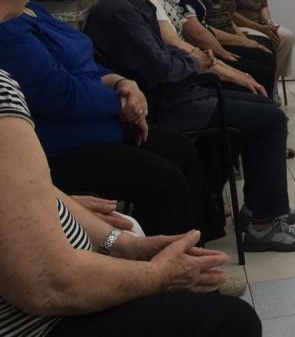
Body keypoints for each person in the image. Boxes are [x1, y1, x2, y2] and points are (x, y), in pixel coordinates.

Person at [0, 0, 220, 241]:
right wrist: (122, 103)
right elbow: (62, 93)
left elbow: (87, 66)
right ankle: (174, 258)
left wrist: (121, 83)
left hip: (111, 119)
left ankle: (200, 246)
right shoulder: (10, 31)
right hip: (70, 144)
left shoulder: (31, 11)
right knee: (164, 178)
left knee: (182, 150)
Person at [84, 0, 295, 253]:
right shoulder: (119, 12)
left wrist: (196, 63)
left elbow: (167, 56)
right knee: (270, 120)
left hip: (179, 95)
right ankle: (263, 225)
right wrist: (198, 64)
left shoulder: (136, 4)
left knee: (265, 107)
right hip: (167, 106)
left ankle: (259, 208)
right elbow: (163, 68)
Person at [0, 69, 261, 336]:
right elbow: (50, 286)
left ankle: (198, 273)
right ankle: (257, 227)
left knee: (180, 153)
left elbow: (44, 191)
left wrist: (125, 246)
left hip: (113, 125)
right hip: (47, 321)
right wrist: (159, 274)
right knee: (233, 321)